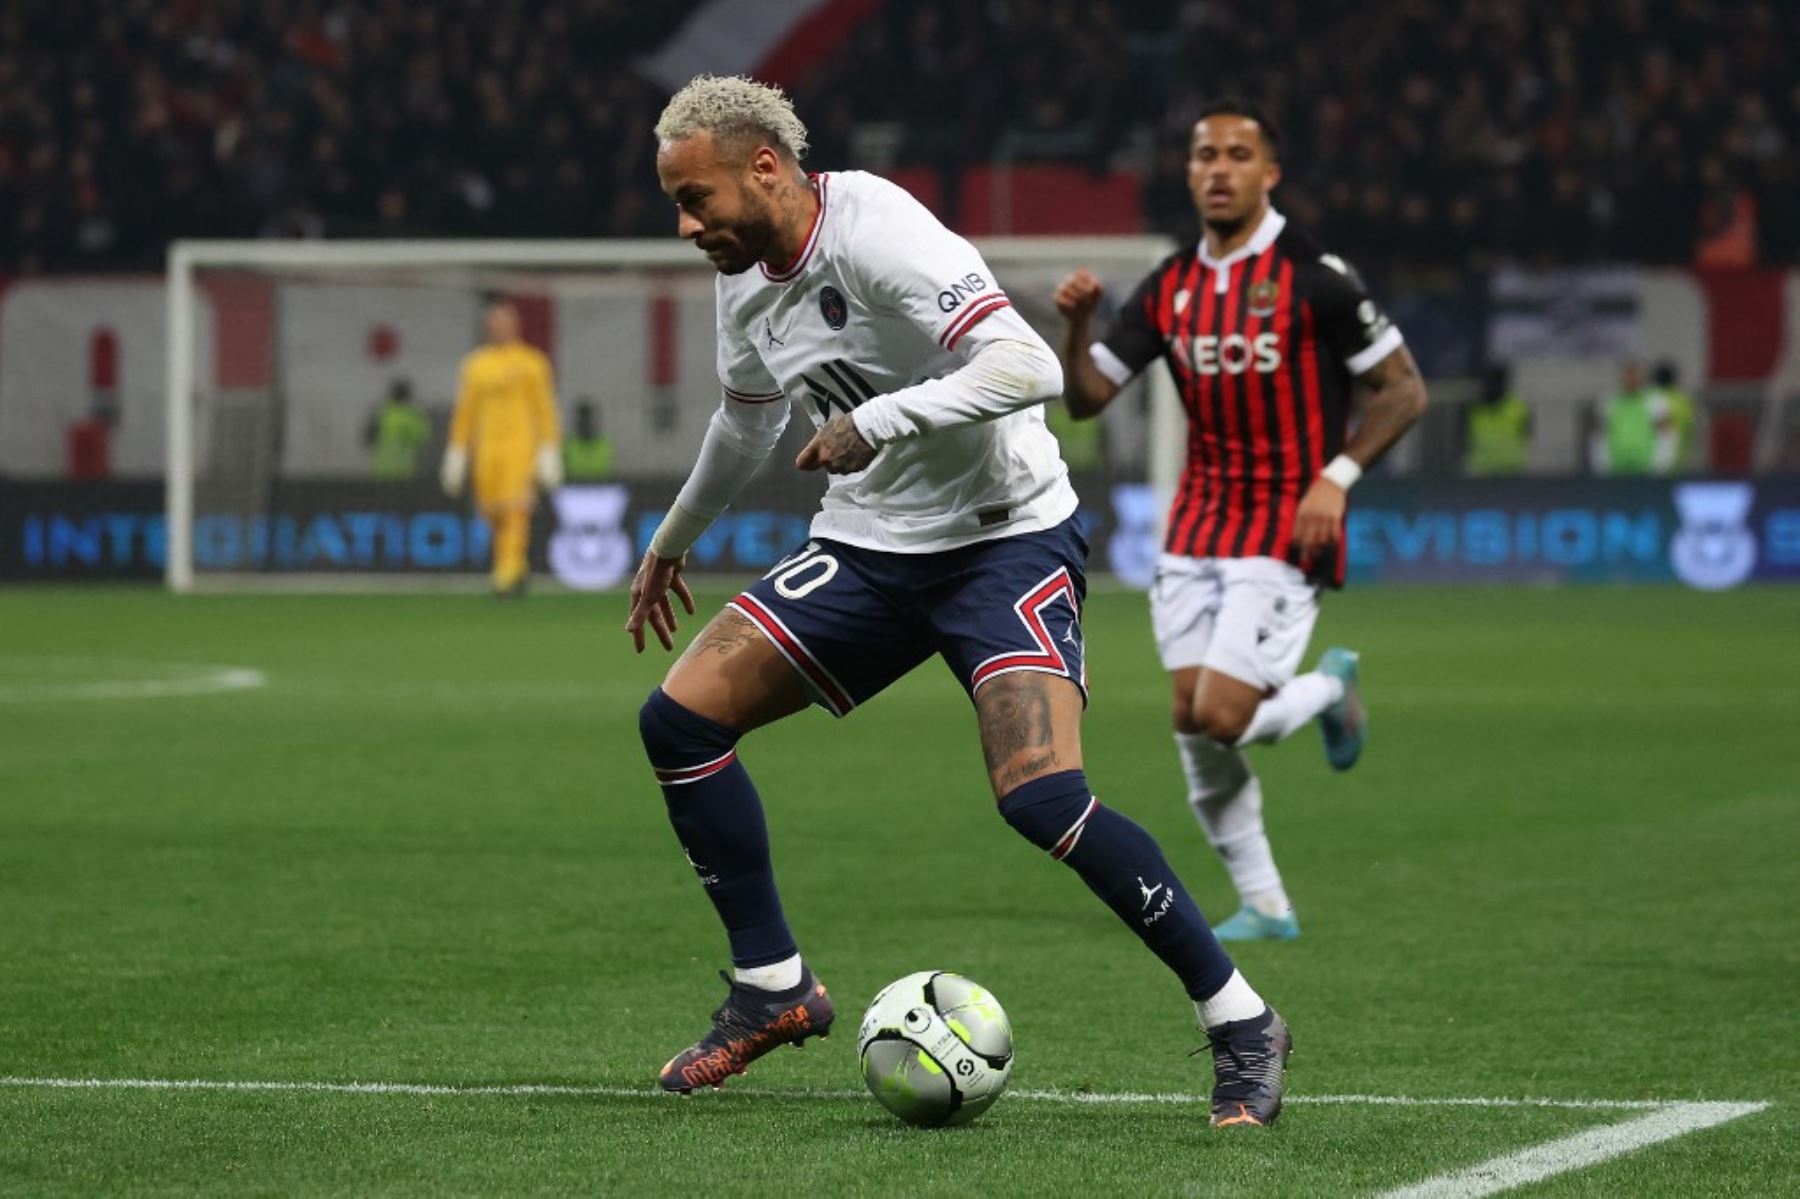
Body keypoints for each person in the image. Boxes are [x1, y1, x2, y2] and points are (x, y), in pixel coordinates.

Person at [626, 75, 1291, 1128]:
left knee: (1042, 799)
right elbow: (747, 421)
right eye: (677, 201)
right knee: (680, 720)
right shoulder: (745, 273)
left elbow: (1026, 362)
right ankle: (773, 986)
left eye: (697, 198)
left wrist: (878, 422)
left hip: (1005, 541)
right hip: (871, 545)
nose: (685, 223)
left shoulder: (879, 228)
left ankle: (1241, 1018)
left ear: (766, 168)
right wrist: (671, 542)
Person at [1053, 99, 1428, 943]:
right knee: (1192, 721)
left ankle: (1332, 687)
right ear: (1187, 173)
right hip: (1194, 527)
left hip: (1286, 525)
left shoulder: (1315, 274)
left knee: (1223, 714)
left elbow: (1404, 388)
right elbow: (1088, 397)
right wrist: (1076, 330)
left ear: (1270, 172)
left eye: (1237, 154)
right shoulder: (1172, 284)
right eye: (1203, 155)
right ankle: (1266, 904)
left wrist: (1336, 477)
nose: (1218, 168)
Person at [440, 298, 563, 596]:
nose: (501, 327)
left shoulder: (533, 362)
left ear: (516, 325)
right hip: (486, 451)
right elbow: (465, 412)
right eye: (496, 321)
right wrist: (456, 453)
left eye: (506, 321)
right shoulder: (475, 365)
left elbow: (545, 409)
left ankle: (504, 575)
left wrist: (549, 450)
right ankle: (516, 567)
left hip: (520, 449)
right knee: (493, 514)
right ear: (487, 326)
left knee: (516, 510)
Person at [1593, 360, 1685, 476]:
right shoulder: (1610, 403)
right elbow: (1600, 436)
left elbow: (1666, 435)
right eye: (1627, 375)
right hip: (1616, 471)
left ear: (1643, 378)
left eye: (1635, 375)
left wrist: (1660, 468)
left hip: (1647, 471)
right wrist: (1601, 467)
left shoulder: (1655, 402)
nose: (1631, 379)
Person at [1463, 363, 1531, 476]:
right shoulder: (1473, 410)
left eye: (1497, 381)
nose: (1493, 386)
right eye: (1490, 381)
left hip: (1512, 471)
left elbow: (1527, 433)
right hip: (1483, 472)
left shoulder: (1519, 408)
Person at [365, 378, 432, 480]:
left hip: (381, 469)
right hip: (405, 470)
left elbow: (368, 438)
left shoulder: (381, 413)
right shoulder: (415, 416)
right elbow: (423, 440)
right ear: (408, 395)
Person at [562, 399, 615, 481]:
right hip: (574, 489)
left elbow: (606, 474)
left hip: (599, 490)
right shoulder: (568, 445)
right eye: (582, 420)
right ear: (577, 422)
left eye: (589, 420)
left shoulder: (604, 445)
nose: (586, 424)